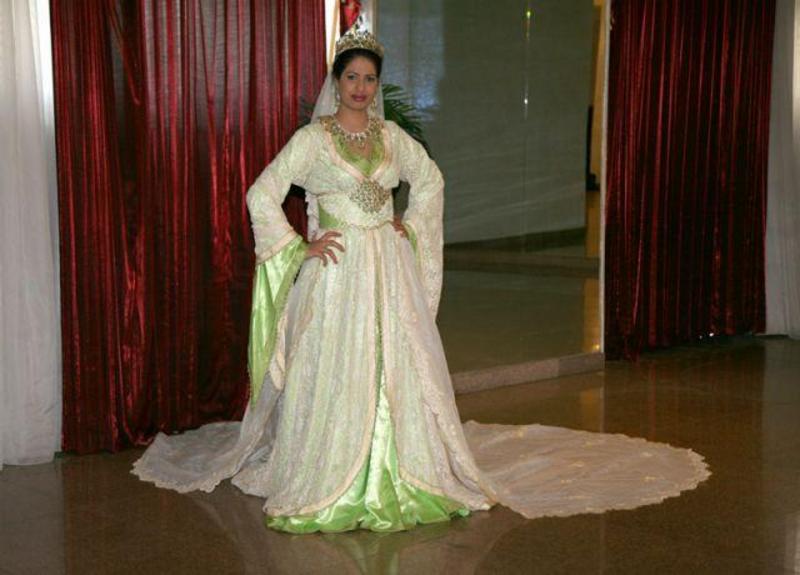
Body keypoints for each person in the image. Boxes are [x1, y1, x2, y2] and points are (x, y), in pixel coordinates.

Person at [133, 28, 710, 533]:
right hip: (337, 274)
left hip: (389, 268)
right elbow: (262, 193)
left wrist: (408, 223)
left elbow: (430, 180)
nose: (361, 87)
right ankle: (332, 470)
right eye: (352, 77)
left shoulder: (391, 137)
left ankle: (402, 466)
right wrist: (299, 246)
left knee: (398, 361)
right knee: (340, 364)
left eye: (369, 78)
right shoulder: (312, 141)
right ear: (336, 82)